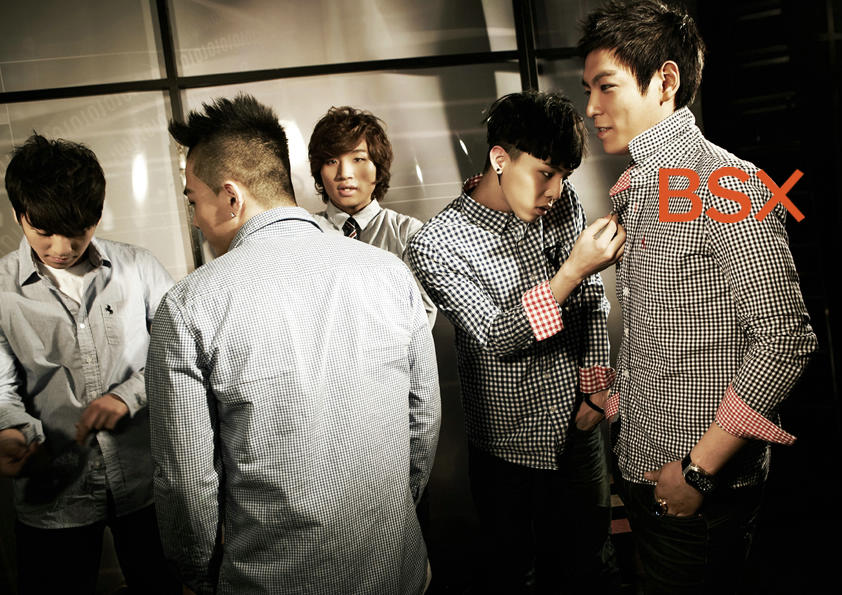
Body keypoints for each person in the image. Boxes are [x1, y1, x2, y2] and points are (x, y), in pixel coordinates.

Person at [146, 94, 441, 595]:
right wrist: (390, 513)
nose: (194, 217)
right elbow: (424, 418)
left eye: (193, 200)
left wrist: (196, 571)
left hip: (270, 578)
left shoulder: (189, 305)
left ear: (231, 197)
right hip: (397, 569)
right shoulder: (390, 273)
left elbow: (185, 479)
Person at [578, 1, 818, 592]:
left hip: (695, 487)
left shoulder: (724, 183)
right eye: (588, 90)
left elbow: (786, 339)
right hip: (642, 465)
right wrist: (617, 400)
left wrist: (699, 470)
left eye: (606, 87)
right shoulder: (639, 186)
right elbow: (665, 328)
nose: (591, 108)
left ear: (665, 81)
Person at [406, 90, 625, 594]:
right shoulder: (436, 243)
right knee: (513, 575)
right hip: (506, 443)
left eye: (564, 176)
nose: (554, 190)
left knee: (593, 567)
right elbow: (497, 335)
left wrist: (596, 390)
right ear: (500, 159)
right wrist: (570, 271)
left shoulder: (562, 204)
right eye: (545, 173)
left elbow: (591, 299)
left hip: (578, 424)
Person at [0, 134, 178, 594]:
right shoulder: (1, 290)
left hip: (147, 482)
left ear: (96, 217)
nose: (61, 247)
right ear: (19, 214)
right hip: (54, 494)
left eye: (77, 231)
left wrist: (128, 396)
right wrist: (11, 431)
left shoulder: (139, 267)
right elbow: (1, 389)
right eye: (43, 231)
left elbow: (181, 356)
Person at [308, 106, 437, 327]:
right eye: (331, 161)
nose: (344, 174)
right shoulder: (305, 231)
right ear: (318, 170)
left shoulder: (408, 233)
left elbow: (420, 318)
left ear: (378, 166)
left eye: (358, 159)